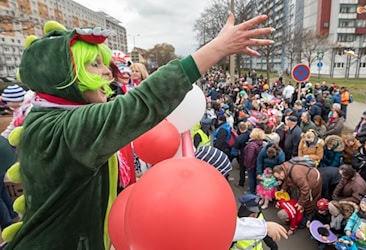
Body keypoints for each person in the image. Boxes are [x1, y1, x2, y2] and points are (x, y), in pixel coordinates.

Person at [5, 15, 275, 249]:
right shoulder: (63, 129)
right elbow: (140, 104)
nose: (107, 74)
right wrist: (217, 49)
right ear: (64, 76)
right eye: (94, 65)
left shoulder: (56, 118)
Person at [244, 128, 265, 194]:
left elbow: (250, 156)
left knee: (251, 178)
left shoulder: (252, 145)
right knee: (255, 178)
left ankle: (251, 191)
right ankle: (255, 190)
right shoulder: (261, 143)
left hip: (251, 164)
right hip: (257, 164)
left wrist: (247, 165)